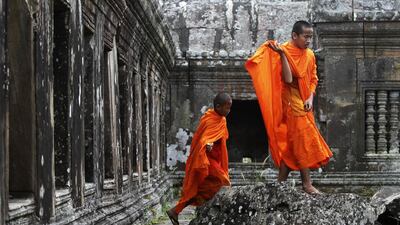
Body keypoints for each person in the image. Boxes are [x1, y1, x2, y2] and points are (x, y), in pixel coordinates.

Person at [245, 20, 332, 194]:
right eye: (305, 37)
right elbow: (288, 79)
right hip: (291, 105)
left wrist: (310, 97)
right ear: (294, 36)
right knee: (302, 142)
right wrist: (283, 54)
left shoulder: (309, 55)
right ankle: (306, 184)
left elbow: (314, 79)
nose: (308, 41)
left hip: (304, 104)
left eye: (310, 37)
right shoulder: (283, 50)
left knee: (293, 146)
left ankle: (280, 184)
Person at [167, 93, 232, 225]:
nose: (228, 111)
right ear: (218, 107)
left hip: (215, 158)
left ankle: (176, 210)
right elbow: (204, 138)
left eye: (230, 108)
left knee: (201, 188)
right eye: (226, 108)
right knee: (222, 180)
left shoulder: (222, 120)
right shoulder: (209, 119)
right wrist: (208, 143)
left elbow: (221, 138)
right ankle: (212, 214)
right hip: (206, 160)